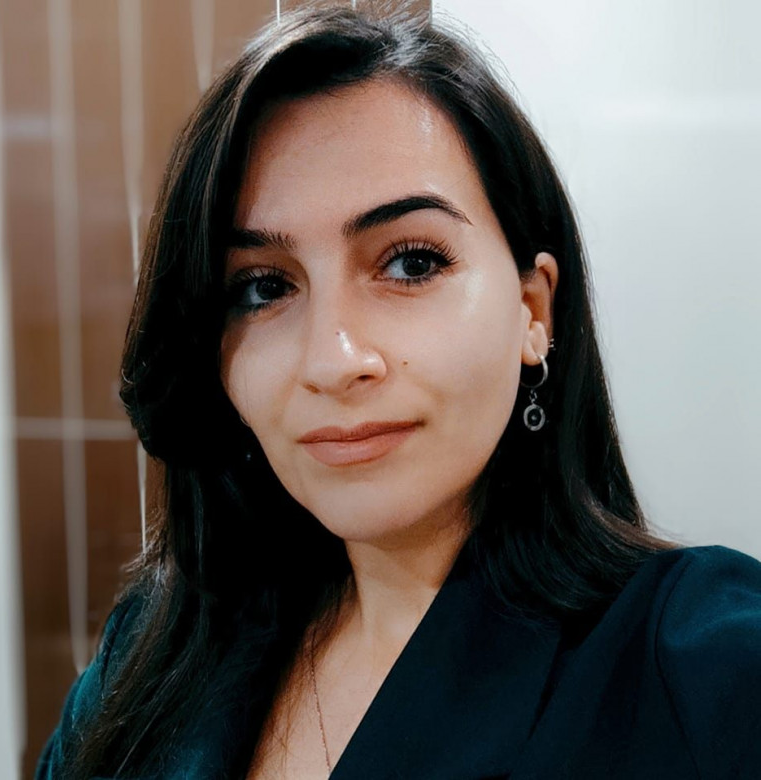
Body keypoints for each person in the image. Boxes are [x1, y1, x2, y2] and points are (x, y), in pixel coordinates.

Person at [37, 6, 761, 779]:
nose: (333, 360)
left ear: (533, 310)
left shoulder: (706, 669)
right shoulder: (144, 662)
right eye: (263, 287)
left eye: (411, 263)